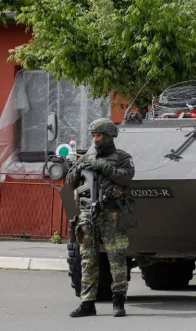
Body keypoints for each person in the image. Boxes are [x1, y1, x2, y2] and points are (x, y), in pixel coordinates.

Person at [66, 118, 137, 317]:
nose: (95, 139)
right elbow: (71, 183)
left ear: (108, 137)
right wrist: (79, 167)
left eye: (99, 136)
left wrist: (101, 166)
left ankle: (118, 301)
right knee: (88, 259)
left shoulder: (122, 157)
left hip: (112, 213)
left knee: (117, 259)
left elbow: (126, 177)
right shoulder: (86, 157)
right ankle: (87, 303)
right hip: (88, 214)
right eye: (93, 136)